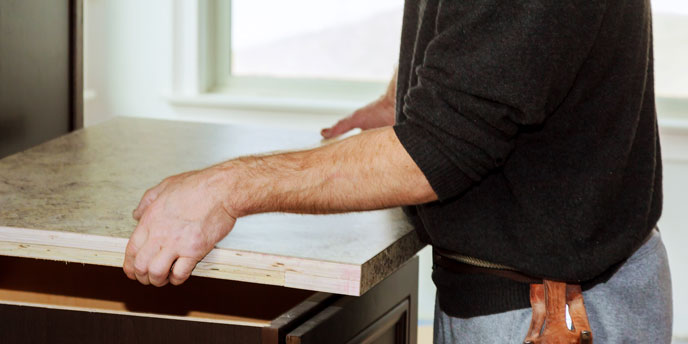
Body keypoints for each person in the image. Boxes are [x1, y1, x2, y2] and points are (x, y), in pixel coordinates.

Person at [123, 0, 673, 342]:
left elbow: (434, 153)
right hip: (528, 294)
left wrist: (224, 189)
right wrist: (408, 93)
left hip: (556, 315)